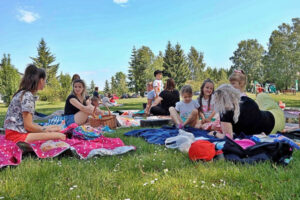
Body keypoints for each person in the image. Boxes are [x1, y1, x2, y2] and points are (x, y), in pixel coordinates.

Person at [4, 64, 66, 143]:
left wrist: (46, 129)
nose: (45, 83)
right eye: (45, 80)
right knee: (60, 136)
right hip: (16, 135)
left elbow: (28, 124)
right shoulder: (27, 96)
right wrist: (45, 130)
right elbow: (28, 126)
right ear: (41, 80)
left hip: (14, 132)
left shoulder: (23, 93)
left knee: (55, 128)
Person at [211, 84, 285, 139]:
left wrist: (214, 133)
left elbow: (228, 138)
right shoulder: (246, 99)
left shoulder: (225, 113)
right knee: (261, 96)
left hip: (271, 130)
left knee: (261, 98)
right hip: (277, 119)